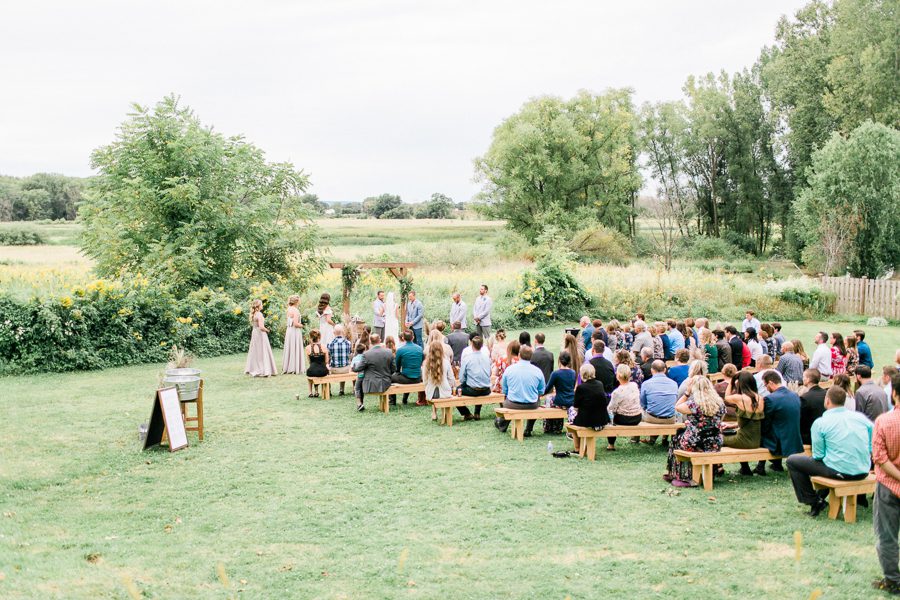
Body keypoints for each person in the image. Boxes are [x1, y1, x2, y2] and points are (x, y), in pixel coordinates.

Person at [785, 386, 873, 517]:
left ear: (827, 401)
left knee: (792, 461)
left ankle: (814, 501)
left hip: (842, 471)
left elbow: (819, 456)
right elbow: (872, 444)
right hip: (863, 469)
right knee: (830, 461)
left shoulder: (821, 423)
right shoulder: (861, 419)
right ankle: (819, 498)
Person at [665, 375, 726, 487]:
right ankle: (715, 468)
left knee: (676, 437)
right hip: (715, 442)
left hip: (695, 441)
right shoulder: (720, 403)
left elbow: (677, 407)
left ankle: (680, 474)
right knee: (683, 434)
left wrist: (687, 393)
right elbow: (718, 422)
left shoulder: (694, 404)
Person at [871, 374, 900, 595]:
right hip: (889, 483)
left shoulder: (884, 421)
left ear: (894, 394)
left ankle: (892, 579)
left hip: (889, 484)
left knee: (887, 535)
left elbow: (880, 457)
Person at [755, 371, 803, 476]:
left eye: (765, 385)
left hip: (779, 442)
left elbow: (766, 423)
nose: (766, 388)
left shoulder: (770, 399)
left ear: (771, 383)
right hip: (794, 438)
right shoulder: (795, 395)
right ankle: (775, 464)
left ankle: (760, 466)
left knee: (759, 436)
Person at [495, 345, 545, 437]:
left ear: (519, 355)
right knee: (537, 400)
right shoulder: (538, 371)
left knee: (506, 403)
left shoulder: (510, 369)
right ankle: (529, 429)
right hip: (532, 404)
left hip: (513, 403)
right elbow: (541, 391)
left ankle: (502, 424)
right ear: (531, 356)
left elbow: (505, 390)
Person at [722, 371, 765, 475]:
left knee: (717, 438)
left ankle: (718, 468)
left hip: (743, 440)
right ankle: (745, 469)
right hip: (757, 439)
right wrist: (733, 425)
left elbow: (726, 397)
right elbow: (751, 420)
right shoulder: (760, 398)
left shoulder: (739, 398)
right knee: (733, 433)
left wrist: (731, 382)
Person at [640, 360, 679, 444]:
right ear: (665, 370)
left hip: (652, 418)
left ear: (652, 370)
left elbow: (642, 403)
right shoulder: (674, 384)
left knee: (639, 410)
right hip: (670, 418)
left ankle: (634, 439)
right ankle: (664, 439)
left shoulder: (646, 384)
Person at [352, 334, 393, 408]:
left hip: (371, 385)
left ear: (370, 342)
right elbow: (394, 369)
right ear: (380, 340)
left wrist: (354, 366)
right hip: (386, 382)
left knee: (359, 378)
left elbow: (358, 369)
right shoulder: (389, 352)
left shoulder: (366, 354)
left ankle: (359, 403)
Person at [456, 335, 492, 421]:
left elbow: (461, 378)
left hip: (473, 389)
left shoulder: (467, 358)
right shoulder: (487, 357)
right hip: (486, 389)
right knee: (476, 384)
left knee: (457, 390)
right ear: (482, 345)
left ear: (471, 345)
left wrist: (466, 381)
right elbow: (490, 373)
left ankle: (467, 413)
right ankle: (477, 412)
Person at [607, 364, 642, 450]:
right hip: (637, 417)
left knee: (610, 416)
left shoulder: (617, 392)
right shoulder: (634, 385)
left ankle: (611, 444)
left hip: (623, 419)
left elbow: (610, 408)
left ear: (618, 375)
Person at [544, 351, 577, 432]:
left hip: (560, 400)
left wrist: (540, 393)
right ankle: (557, 427)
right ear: (569, 361)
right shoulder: (573, 372)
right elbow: (572, 386)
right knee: (553, 399)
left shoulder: (555, 373)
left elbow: (547, 388)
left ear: (559, 360)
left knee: (548, 399)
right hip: (571, 400)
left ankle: (548, 426)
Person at [573, 363, 610, 431]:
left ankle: (572, 436)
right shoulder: (600, 384)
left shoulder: (581, 387)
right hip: (601, 419)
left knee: (571, 412)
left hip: (586, 420)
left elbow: (576, 405)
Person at [245, 298, 278, 378]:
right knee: (262, 350)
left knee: (256, 351)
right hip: (260, 334)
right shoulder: (259, 314)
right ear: (258, 306)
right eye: (261, 304)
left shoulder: (254, 314)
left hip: (255, 333)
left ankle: (256, 367)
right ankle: (263, 369)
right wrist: (267, 330)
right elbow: (261, 327)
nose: (262, 305)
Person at [392, 330, 424, 405]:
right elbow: (422, 361)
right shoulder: (420, 348)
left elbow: (397, 367)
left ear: (403, 338)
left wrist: (397, 372)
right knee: (407, 374)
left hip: (406, 378)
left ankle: (392, 401)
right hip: (418, 378)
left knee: (391, 378)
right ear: (413, 337)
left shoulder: (400, 350)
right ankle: (404, 399)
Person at [799, 369, 827, 445]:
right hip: (826, 433)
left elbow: (801, 420)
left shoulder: (805, 398)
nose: (803, 378)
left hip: (810, 436)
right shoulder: (827, 394)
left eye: (804, 376)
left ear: (808, 380)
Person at [423, 339, 453, 403]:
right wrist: (449, 386)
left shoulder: (426, 363)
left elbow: (425, 380)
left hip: (431, 393)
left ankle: (434, 412)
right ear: (441, 350)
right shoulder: (446, 362)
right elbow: (451, 379)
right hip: (445, 393)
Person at [282, 295, 306, 375]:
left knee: (291, 347)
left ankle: (289, 366)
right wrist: (302, 325)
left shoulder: (289, 309)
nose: (300, 301)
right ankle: (294, 367)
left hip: (289, 331)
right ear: (296, 301)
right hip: (295, 331)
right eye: (299, 300)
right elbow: (295, 324)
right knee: (294, 347)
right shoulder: (295, 310)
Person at [326, 324, 353, 396]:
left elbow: (328, 358)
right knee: (345, 364)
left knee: (327, 368)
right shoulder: (348, 343)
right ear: (343, 332)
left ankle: (329, 390)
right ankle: (342, 389)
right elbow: (350, 356)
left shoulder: (330, 344)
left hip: (334, 369)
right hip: (346, 369)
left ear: (334, 333)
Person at [304, 329, 329, 396]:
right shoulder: (324, 347)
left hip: (312, 370)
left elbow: (309, 361)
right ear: (319, 337)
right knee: (318, 371)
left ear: (310, 337)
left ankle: (310, 392)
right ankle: (316, 391)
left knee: (311, 373)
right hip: (323, 371)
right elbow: (326, 361)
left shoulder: (307, 348)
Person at [350, 343, 367, 411]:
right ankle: (361, 403)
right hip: (365, 376)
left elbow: (352, 368)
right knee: (361, 390)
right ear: (364, 350)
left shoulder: (355, 358)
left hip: (359, 376)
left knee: (357, 389)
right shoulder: (366, 357)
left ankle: (359, 403)